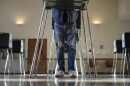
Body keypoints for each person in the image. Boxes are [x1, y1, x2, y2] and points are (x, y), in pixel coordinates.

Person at [52, 9, 78, 77]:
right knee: (59, 47)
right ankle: (61, 69)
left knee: (71, 46)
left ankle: (71, 70)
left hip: (71, 22)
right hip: (58, 23)